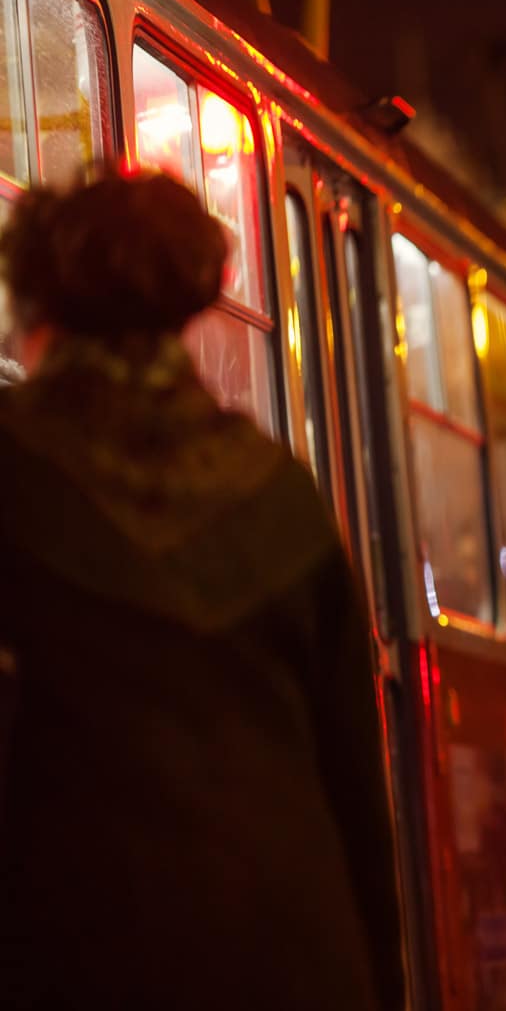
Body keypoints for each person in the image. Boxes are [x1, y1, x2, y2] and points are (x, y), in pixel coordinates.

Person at [0, 173, 404, 1009]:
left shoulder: (15, 473)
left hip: (70, 959)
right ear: (185, 311)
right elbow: (358, 801)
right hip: (293, 960)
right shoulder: (281, 495)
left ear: (38, 319)